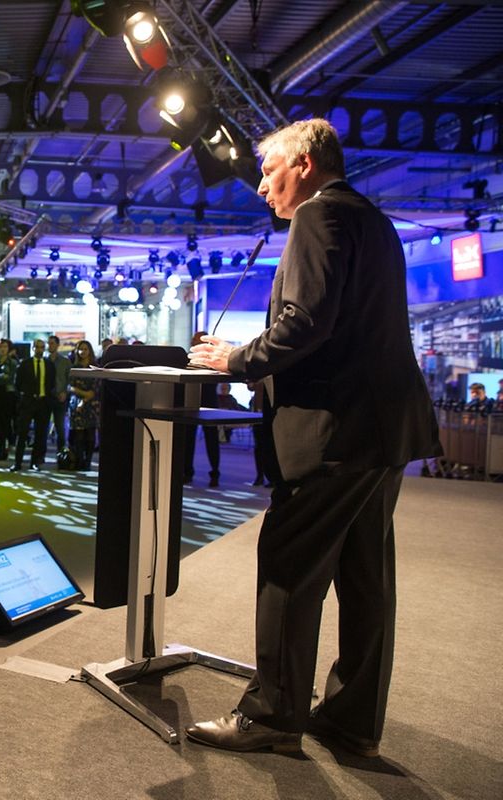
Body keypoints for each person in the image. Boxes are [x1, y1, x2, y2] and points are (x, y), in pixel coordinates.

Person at [186, 118, 440, 755]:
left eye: (269, 173)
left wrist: (234, 360)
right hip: (382, 433)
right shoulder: (374, 220)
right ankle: (350, 722)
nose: (264, 188)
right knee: (365, 580)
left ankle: (271, 717)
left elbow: (306, 322)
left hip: (332, 436)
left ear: (303, 163)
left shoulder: (317, 216)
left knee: (289, 572)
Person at [184, 331, 221, 487]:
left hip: (205, 404)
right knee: (190, 439)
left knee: (209, 439)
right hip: (194, 402)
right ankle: (189, 472)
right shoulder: (189, 360)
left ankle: (211, 473)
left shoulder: (212, 360)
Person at [12, 338, 55, 472]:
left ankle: (35, 462)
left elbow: (51, 384)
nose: (40, 350)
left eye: (42, 347)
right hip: (28, 402)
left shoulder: (49, 365)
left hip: (43, 402)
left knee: (40, 434)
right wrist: (24, 397)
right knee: (22, 433)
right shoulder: (25, 364)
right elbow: (17, 384)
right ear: (33, 348)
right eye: (37, 347)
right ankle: (17, 463)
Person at [67, 341, 99, 470]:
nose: (83, 352)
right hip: (76, 405)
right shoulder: (74, 367)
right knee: (78, 436)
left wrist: (84, 398)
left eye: (85, 349)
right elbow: (70, 387)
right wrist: (80, 394)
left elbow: (94, 390)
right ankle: (79, 461)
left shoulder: (95, 367)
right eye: (80, 349)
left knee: (90, 435)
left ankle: (88, 462)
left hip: (92, 405)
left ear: (90, 351)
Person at [47, 335, 72, 454]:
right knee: (42, 427)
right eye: (49, 343)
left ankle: (61, 453)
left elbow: (70, 380)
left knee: (60, 427)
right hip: (45, 398)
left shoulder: (65, 361)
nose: (50, 345)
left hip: (60, 397)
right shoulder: (44, 360)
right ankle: (40, 456)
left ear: (57, 345)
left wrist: (65, 393)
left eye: (52, 343)